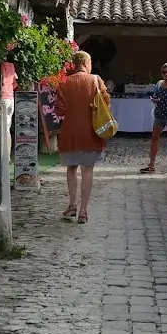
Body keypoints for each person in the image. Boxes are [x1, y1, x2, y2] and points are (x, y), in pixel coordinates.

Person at [54, 50, 111, 225]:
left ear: (75, 64)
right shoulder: (96, 81)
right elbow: (106, 102)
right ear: (87, 63)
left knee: (71, 168)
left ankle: (72, 204)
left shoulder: (64, 83)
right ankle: (84, 211)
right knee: (88, 170)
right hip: (90, 133)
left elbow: (59, 110)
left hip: (70, 132)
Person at [141, 62, 167, 173]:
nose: (166, 74)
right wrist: (155, 100)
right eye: (164, 72)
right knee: (154, 138)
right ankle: (151, 164)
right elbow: (156, 95)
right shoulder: (159, 84)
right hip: (159, 115)